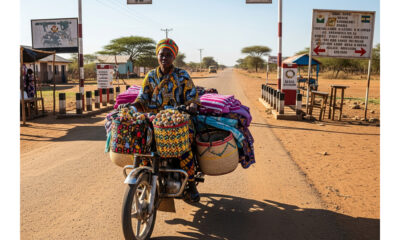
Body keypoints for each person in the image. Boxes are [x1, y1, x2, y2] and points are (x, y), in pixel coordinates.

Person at [133, 38, 200, 203]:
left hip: (178, 121)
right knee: (142, 145)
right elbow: (142, 98)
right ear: (157, 55)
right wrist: (133, 107)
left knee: (184, 148)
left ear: (173, 57)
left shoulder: (182, 75)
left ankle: (191, 185)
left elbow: (192, 98)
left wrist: (191, 105)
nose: (164, 57)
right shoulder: (150, 76)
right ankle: (144, 177)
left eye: (168, 54)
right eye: (162, 54)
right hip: (154, 121)